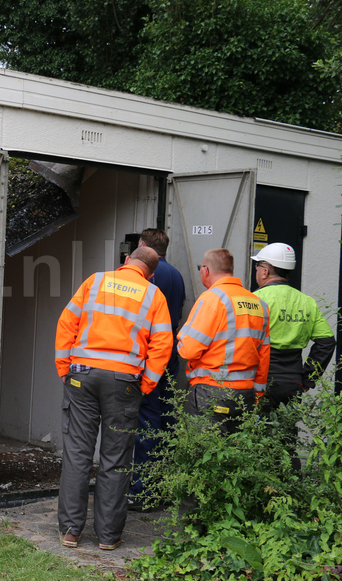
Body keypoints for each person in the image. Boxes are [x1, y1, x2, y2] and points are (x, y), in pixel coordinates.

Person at [54, 246, 173, 551]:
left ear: (125, 262)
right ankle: (108, 537)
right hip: (124, 382)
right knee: (116, 459)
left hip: (82, 376)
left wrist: (64, 368)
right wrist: (146, 385)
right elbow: (162, 344)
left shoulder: (95, 281)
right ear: (151, 272)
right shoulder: (153, 294)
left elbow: (67, 323)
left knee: (78, 454)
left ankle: (70, 532)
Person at [251, 243, 335, 466]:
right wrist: (308, 377)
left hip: (262, 380)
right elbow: (327, 342)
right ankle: (290, 491)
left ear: (266, 270)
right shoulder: (306, 301)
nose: (257, 271)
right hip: (293, 382)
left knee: (257, 439)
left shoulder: (257, 299)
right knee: (288, 440)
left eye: (258, 266)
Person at [177, 248, 270, 433]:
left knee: (205, 455)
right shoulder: (259, 304)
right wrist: (258, 395)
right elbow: (264, 355)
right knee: (235, 455)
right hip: (245, 395)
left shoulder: (212, 298)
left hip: (211, 392)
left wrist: (180, 338)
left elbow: (188, 349)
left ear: (206, 270)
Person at [128, 229, 185, 510]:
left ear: (141, 246)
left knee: (144, 423)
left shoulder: (149, 276)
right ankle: (161, 485)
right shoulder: (176, 275)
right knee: (165, 420)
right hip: (170, 354)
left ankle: (140, 489)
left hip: (149, 356)